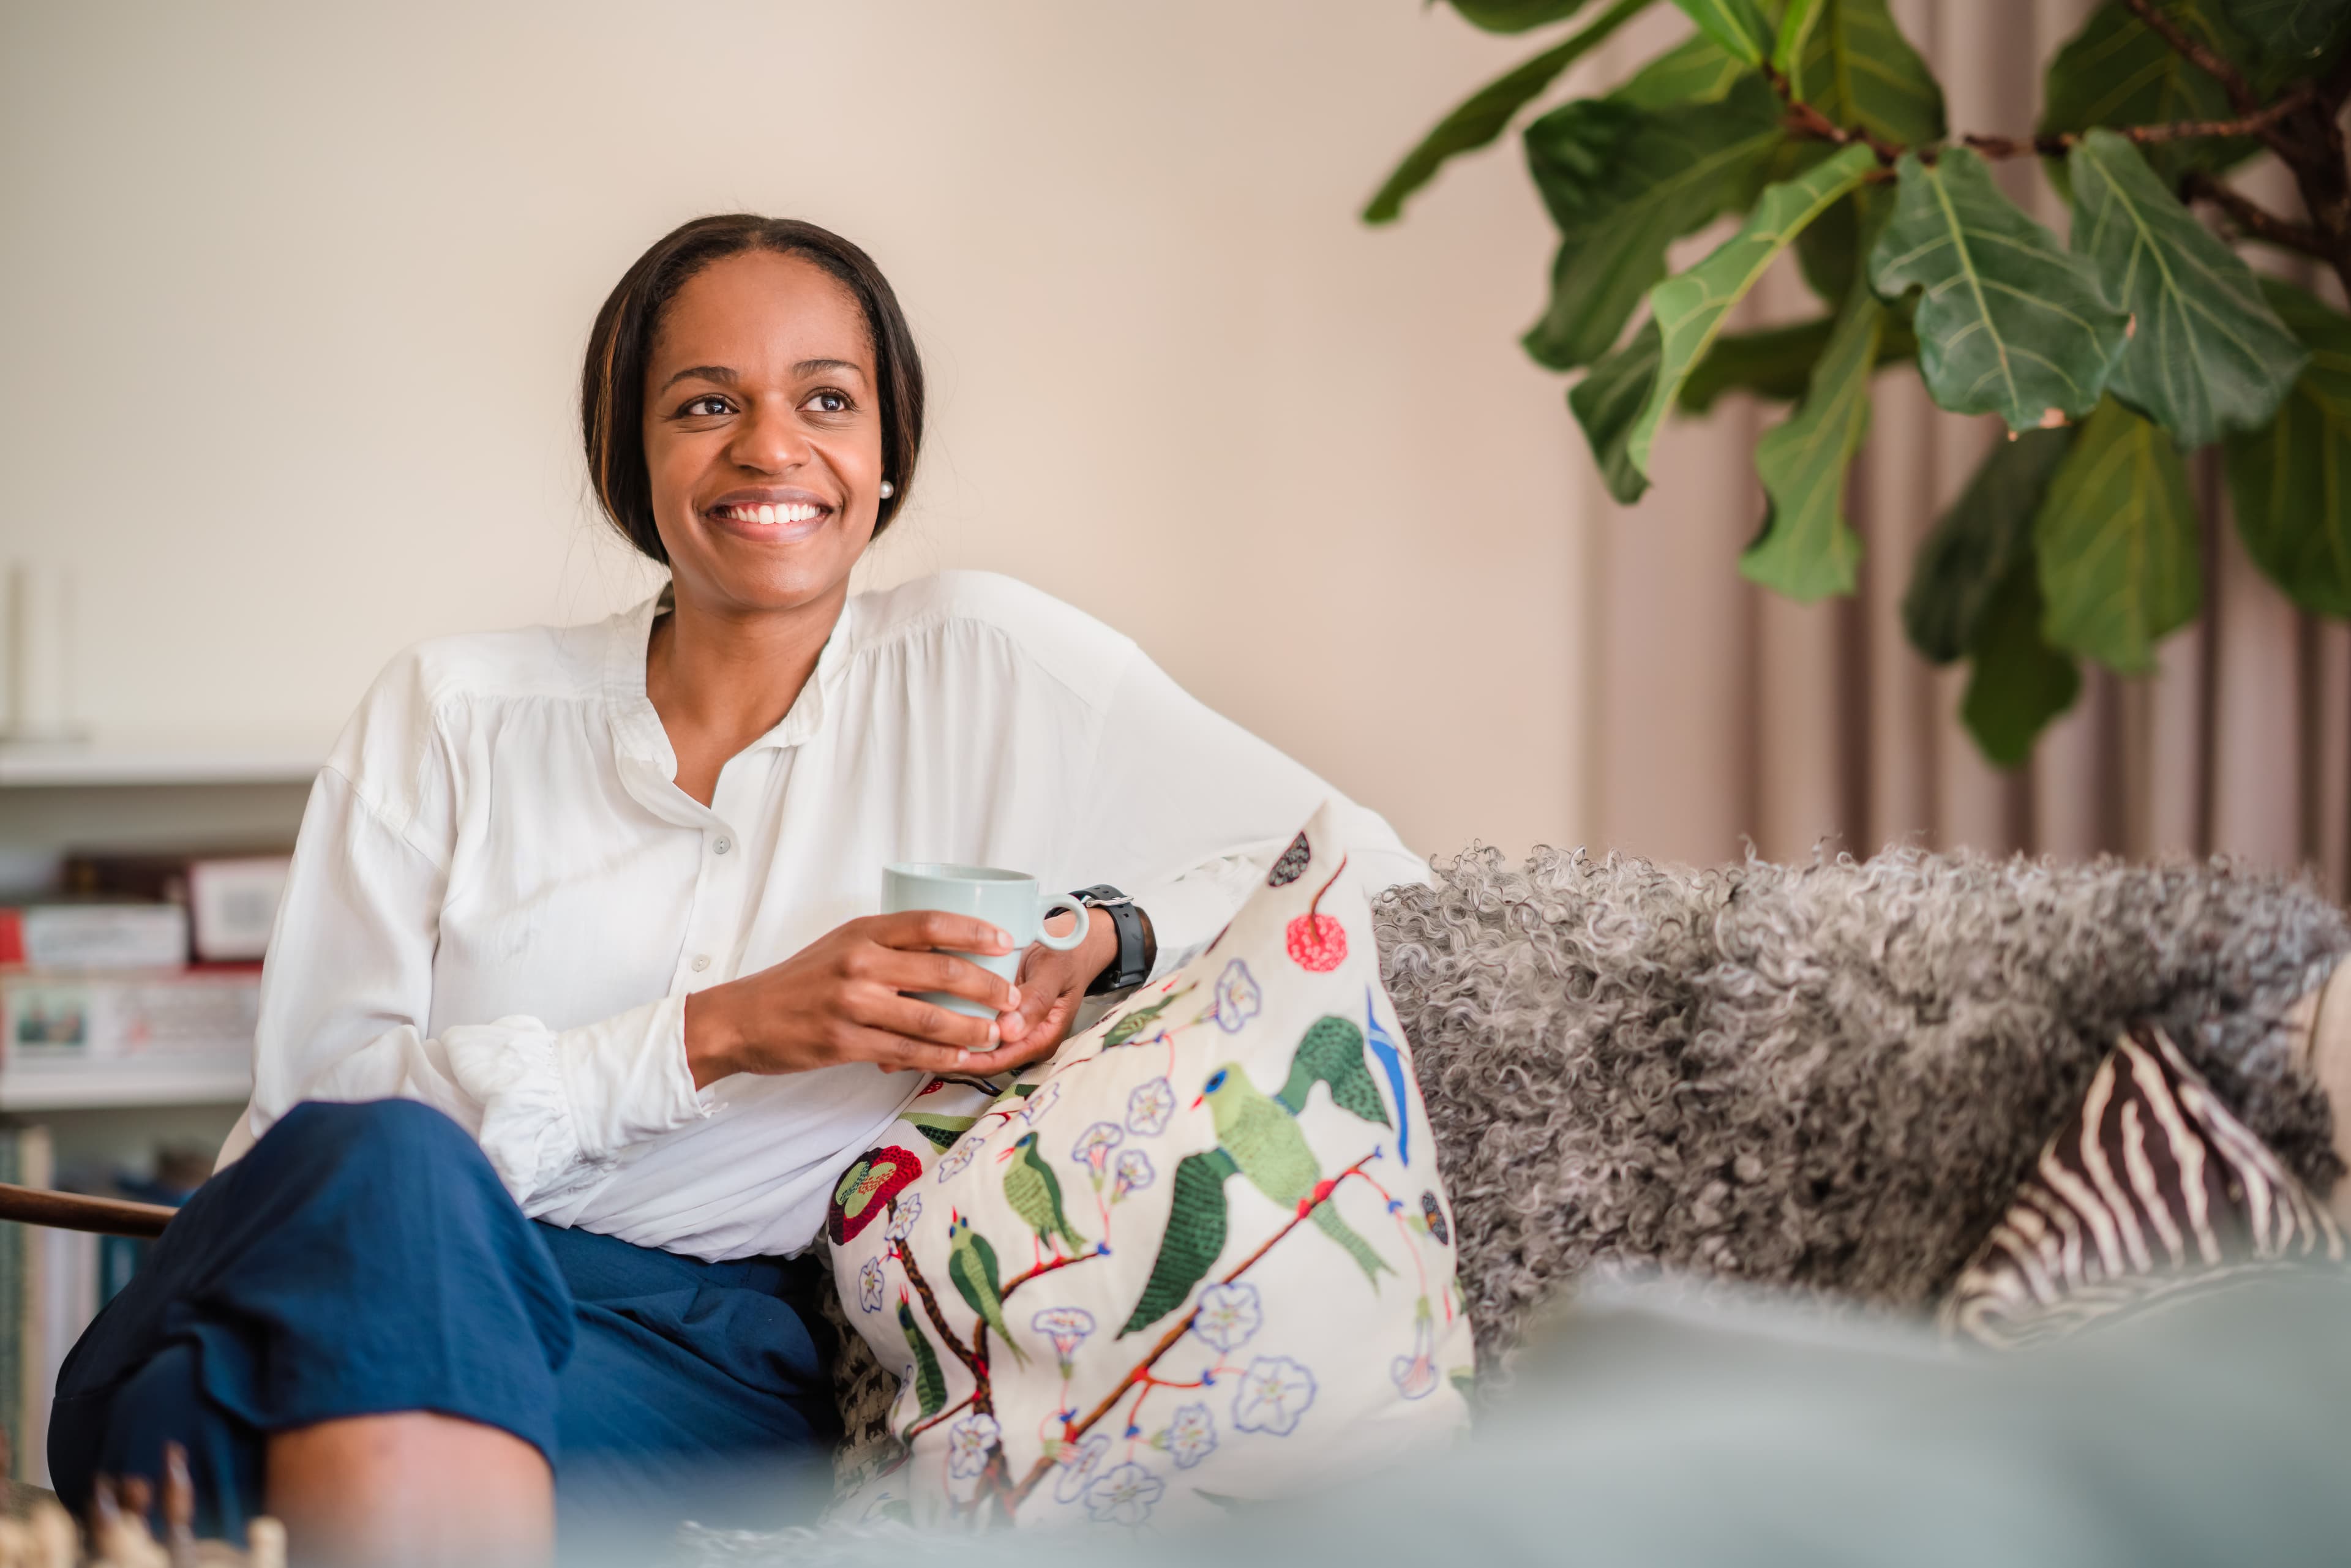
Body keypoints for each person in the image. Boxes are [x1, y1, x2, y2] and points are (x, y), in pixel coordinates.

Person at [48, 215, 1426, 1564]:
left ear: (885, 455)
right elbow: (309, 1125)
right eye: (707, 403)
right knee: (396, 1171)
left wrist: (1104, 937)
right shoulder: (454, 709)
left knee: (205, 1437)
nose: (772, 447)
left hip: (682, 1357)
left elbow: (1366, 854)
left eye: (827, 399)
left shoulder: (996, 667)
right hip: (329, 1266)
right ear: (631, 455)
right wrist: (722, 1032)